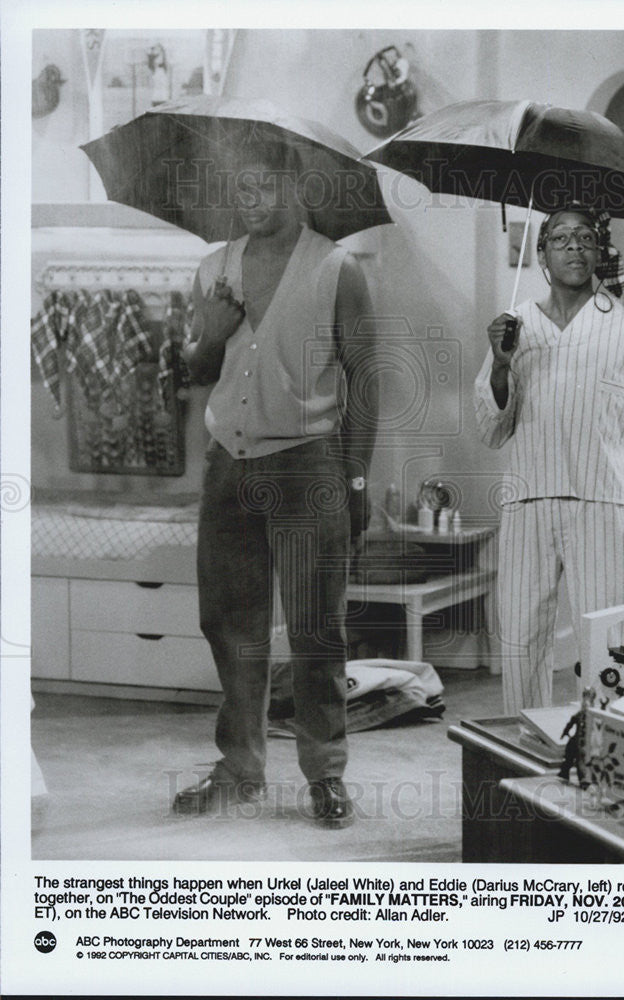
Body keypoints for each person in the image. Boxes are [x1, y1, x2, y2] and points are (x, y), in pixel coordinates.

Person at [173, 144, 378, 827]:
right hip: (227, 465)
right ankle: (240, 767)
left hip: (308, 465)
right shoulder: (213, 269)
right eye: (242, 190)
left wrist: (355, 474)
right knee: (229, 624)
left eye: (265, 187)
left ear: (295, 188)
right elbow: (194, 374)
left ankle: (325, 772)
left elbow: (366, 380)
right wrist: (214, 332)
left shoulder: (337, 266)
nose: (252, 201)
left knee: (317, 628)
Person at [474, 205, 624, 714]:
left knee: (607, 638)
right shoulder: (514, 326)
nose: (573, 247)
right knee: (522, 639)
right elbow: (490, 428)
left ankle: (603, 757)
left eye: (585, 238)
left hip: (602, 502)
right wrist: (502, 366)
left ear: (600, 251)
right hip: (527, 501)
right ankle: (525, 750)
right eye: (561, 238)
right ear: (542, 253)